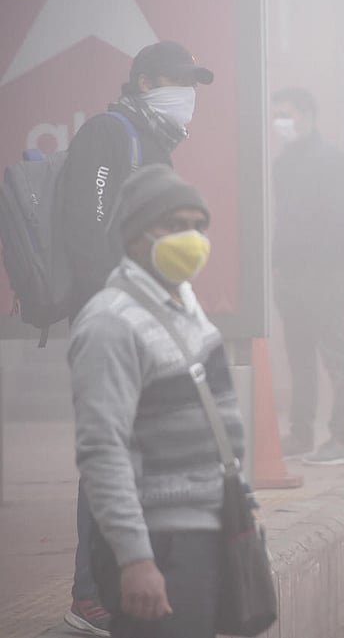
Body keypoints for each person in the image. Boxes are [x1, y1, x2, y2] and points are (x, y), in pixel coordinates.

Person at [60, 40, 214, 637]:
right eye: (180, 82)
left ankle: (122, 576)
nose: (189, 97)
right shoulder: (110, 133)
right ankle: (88, 593)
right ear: (145, 82)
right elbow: (88, 227)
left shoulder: (154, 143)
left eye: (195, 86)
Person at [70, 164, 246, 638]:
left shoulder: (190, 310)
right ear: (135, 236)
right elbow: (102, 451)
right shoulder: (110, 323)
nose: (191, 238)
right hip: (160, 546)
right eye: (174, 225)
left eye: (197, 225)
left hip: (208, 536)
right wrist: (135, 559)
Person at [271, 87, 344, 463]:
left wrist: (329, 264)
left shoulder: (332, 161)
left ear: (308, 115)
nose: (281, 123)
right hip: (290, 273)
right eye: (277, 116)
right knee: (298, 354)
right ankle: (301, 433)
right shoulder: (283, 162)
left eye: (287, 115)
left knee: (334, 355)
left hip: (324, 272)